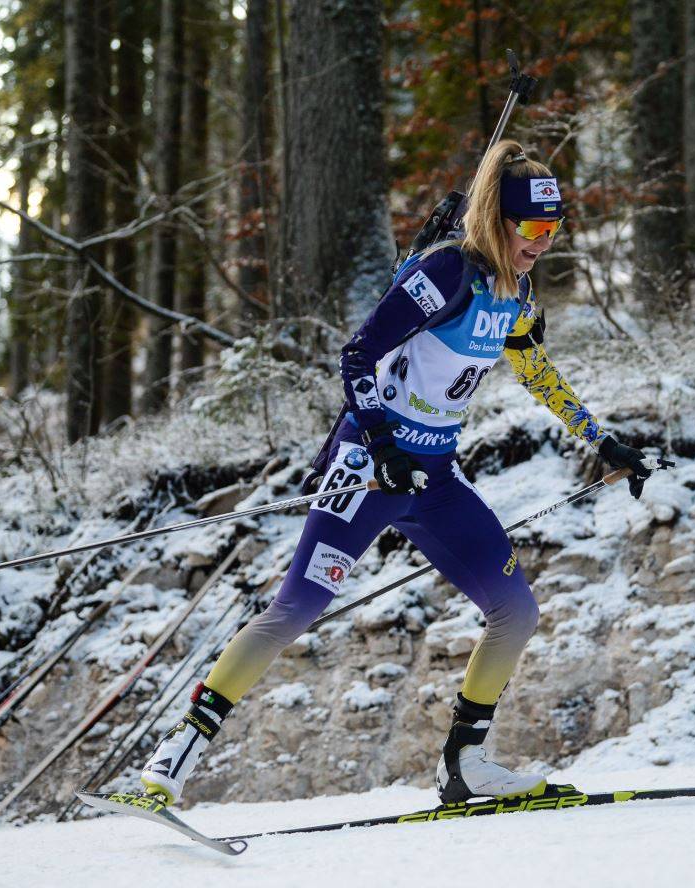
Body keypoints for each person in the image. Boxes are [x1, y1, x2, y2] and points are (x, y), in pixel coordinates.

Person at [139, 140, 655, 807]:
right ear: (498, 220)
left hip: (436, 476)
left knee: (516, 612)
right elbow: (357, 355)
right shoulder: (445, 272)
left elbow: (534, 370)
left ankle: (464, 763)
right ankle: (174, 755)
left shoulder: (517, 291)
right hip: (371, 467)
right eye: (531, 229)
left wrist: (599, 437)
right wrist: (382, 443)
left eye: (553, 231)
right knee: (299, 605)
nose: (541, 244)